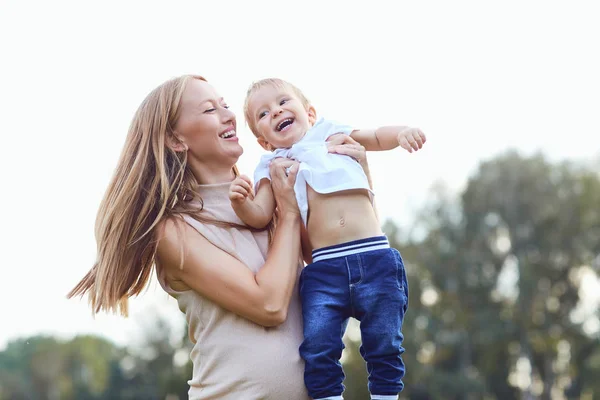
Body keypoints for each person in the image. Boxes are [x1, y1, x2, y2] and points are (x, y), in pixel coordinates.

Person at [67, 74, 370, 400]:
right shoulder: (174, 232)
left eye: (226, 105)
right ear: (176, 139)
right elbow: (269, 305)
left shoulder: (271, 198)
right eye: (210, 110)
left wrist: (359, 174)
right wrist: (291, 212)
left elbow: (344, 260)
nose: (230, 115)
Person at [231, 78, 426, 400]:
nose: (276, 111)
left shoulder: (332, 133)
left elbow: (375, 136)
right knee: (319, 347)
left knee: (385, 342)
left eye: (282, 102)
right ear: (263, 142)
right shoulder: (271, 165)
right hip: (324, 269)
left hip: (375, 257)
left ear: (309, 112)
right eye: (263, 114)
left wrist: (402, 133)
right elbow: (260, 214)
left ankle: (386, 397)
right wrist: (242, 202)